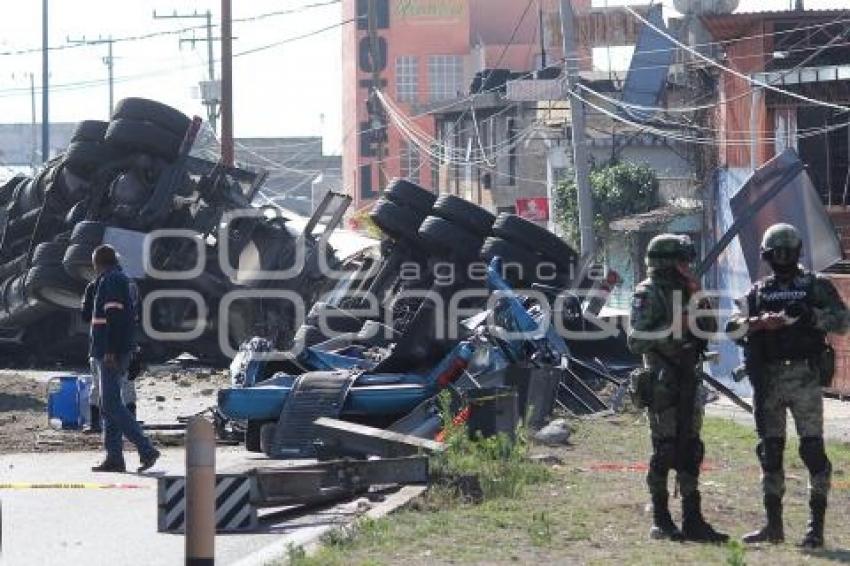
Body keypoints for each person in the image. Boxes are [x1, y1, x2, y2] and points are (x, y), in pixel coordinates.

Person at [726, 223, 850, 548]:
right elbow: (732, 328)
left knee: (812, 451)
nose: (781, 258)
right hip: (767, 380)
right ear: (768, 256)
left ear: (796, 253)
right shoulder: (758, 292)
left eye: (787, 252)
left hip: (804, 376)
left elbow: (843, 321)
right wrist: (758, 323)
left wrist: (809, 315)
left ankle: (815, 530)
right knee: (770, 452)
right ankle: (773, 526)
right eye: (775, 253)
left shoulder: (816, 285)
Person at [628, 233, 728, 543]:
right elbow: (635, 340)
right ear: (667, 263)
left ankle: (693, 519)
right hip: (661, 380)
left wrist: (698, 294)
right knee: (665, 450)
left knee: (691, 449)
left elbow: (710, 328)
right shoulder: (648, 292)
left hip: (689, 378)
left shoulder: (688, 291)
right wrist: (676, 326)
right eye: (682, 261)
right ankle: (660, 518)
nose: (687, 267)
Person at [88, 244, 160, 473]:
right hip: (114, 349)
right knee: (109, 404)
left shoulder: (111, 280)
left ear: (98, 262)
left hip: (110, 351)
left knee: (110, 404)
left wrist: (110, 350)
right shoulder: (122, 279)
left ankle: (146, 448)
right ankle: (114, 458)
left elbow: (113, 316)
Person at [81, 277, 139, 434]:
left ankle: (95, 423)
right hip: (125, 343)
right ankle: (131, 422)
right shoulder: (130, 285)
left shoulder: (93, 285)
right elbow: (135, 316)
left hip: (100, 345)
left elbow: (85, 315)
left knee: (98, 384)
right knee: (127, 383)